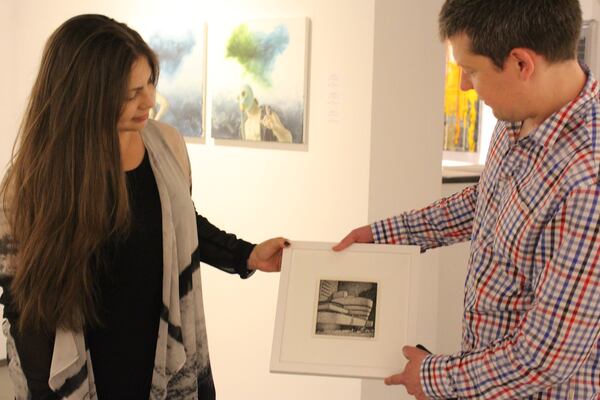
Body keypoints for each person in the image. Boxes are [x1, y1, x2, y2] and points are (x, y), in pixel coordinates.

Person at [0, 14, 288, 400]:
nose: (149, 101)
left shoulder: (165, 145)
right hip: (82, 366)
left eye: (150, 83)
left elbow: (180, 224)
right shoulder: (31, 183)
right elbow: (23, 307)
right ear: (87, 92)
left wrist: (246, 254)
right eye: (131, 92)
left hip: (163, 357)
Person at [334, 0, 599, 398]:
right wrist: (386, 234)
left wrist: (432, 377)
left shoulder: (588, 179)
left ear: (521, 64)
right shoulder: (517, 115)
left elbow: (546, 356)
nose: (462, 86)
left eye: (471, 70)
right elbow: (486, 200)